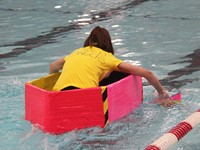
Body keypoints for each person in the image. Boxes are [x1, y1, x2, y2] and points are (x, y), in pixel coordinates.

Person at [49, 26, 169, 98]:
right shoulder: (107, 57)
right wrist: (161, 93)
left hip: (59, 94)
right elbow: (147, 73)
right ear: (108, 43)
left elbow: (53, 66)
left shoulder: (76, 52)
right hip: (84, 96)